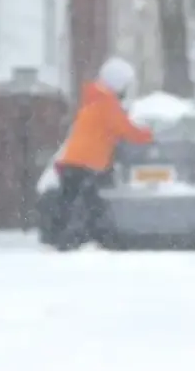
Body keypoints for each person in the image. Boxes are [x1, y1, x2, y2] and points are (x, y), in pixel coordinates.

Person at [51, 56, 154, 250]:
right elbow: (127, 130)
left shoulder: (94, 100)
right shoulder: (107, 104)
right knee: (88, 204)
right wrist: (150, 134)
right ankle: (83, 240)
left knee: (70, 201)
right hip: (87, 163)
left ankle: (63, 238)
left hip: (73, 161)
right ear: (119, 84)